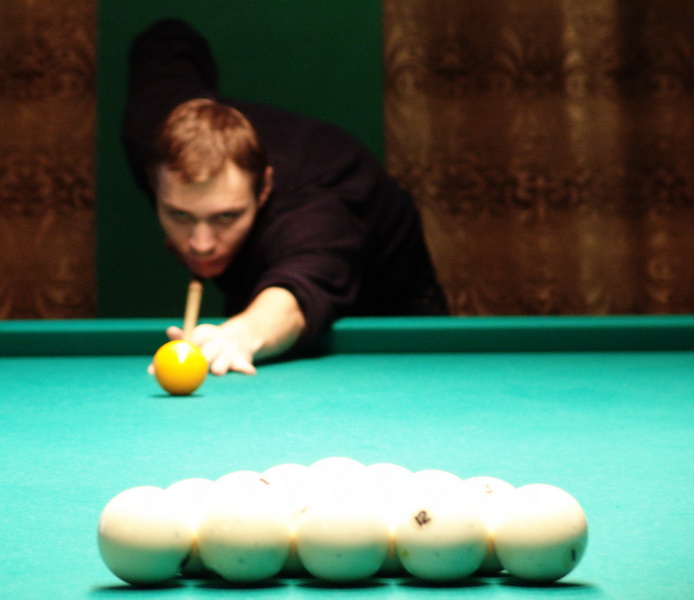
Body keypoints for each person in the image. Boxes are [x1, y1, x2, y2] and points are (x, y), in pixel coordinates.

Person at [123, 19, 447, 376]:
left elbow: (300, 288)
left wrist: (243, 334)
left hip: (390, 312)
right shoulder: (154, 134)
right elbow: (167, 39)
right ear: (155, 182)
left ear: (264, 188)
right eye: (180, 215)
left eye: (226, 217)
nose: (201, 245)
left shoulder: (313, 207)